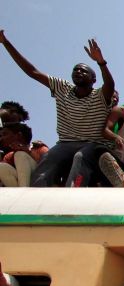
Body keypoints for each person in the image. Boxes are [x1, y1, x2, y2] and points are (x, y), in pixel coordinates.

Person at [0, 32, 114, 187]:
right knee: (48, 159)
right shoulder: (63, 88)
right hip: (65, 143)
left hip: (92, 144)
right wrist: (6, 43)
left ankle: (72, 194)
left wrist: (101, 62)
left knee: (80, 157)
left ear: (93, 79)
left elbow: (110, 86)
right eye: (75, 70)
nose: (78, 72)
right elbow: (32, 72)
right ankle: (37, 198)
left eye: (83, 71)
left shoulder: (100, 95)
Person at [0, 122, 48, 187]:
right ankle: (21, 193)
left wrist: (27, 151)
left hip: (40, 183)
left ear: (19, 135)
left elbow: (48, 167)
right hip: (21, 189)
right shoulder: (9, 156)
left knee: (20, 155)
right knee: (1, 166)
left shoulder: (39, 148)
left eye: (5, 134)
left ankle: (23, 190)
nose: (1, 138)